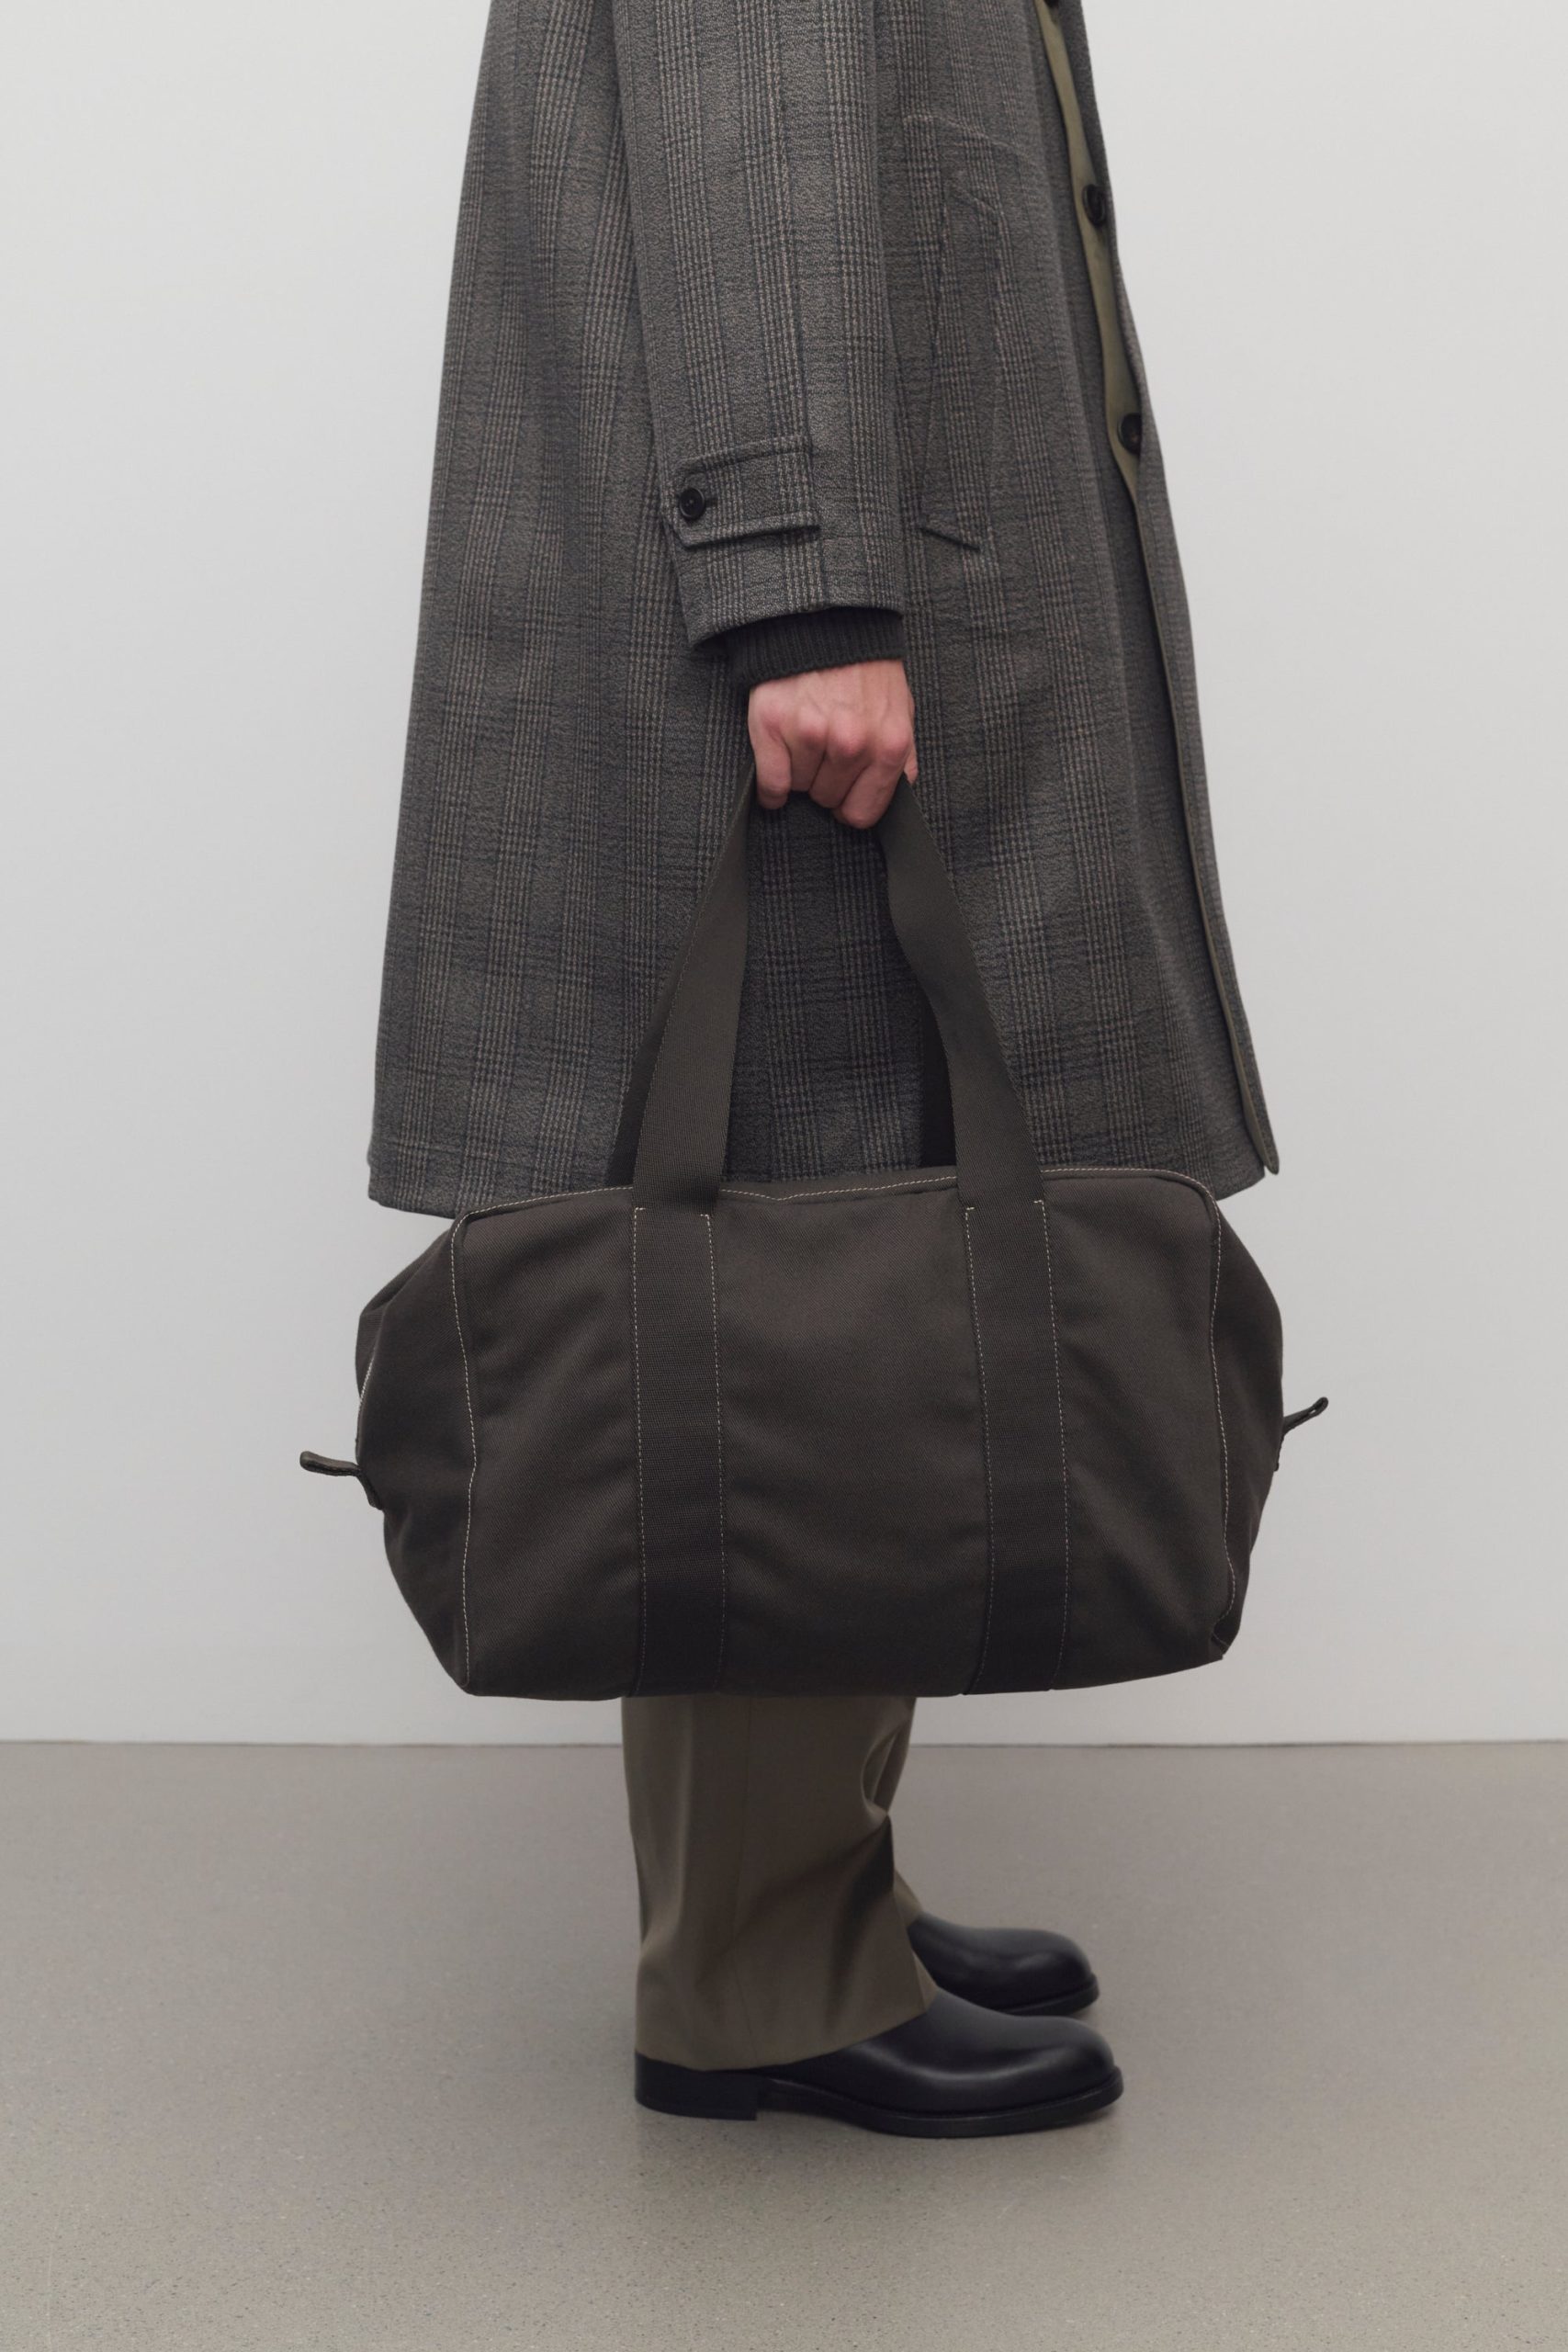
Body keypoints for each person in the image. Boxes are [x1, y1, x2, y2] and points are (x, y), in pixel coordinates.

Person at [368, 0, 1276, 2138]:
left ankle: (812, 1884)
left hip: (852, 568)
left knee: (846, 1264)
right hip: (804, 607)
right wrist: (797, 589)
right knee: (802, 1258)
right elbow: (752, 107)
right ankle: (760, 1976)